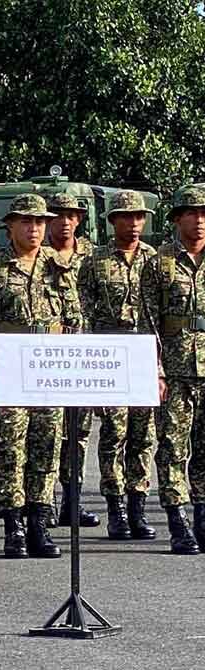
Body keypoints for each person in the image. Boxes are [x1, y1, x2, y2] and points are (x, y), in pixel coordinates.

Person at [0, 193, 82, 560]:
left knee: (46, 446)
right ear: (10, 226)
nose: (34, 229)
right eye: (26, 222)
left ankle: (39, 522)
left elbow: (74, 318)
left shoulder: (57, 265)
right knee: (11, 449)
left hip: (50, 368)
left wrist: (74, 369)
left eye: (39, 222)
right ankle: (14, 526)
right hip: (10, 366)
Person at [76, 190, 158, 542]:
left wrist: (160, 366)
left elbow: (161, 314)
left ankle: (138, 506)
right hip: (109, 353)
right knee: (113, 435)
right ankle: (116, 510)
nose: (134, 222)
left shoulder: (154, 259)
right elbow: (82, 314)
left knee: (144, 436)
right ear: (112, 221)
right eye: (126, 216)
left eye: (139, 216)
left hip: (144, 352)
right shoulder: (94, 262)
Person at [139, 184, 205, 555]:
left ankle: (202, 513)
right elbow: (149, 322)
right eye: (191, 213)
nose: (199, 220)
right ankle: (177, 519)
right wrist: (156, 369)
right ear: (178, 218)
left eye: (204, 213)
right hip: (175, 369)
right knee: (172, 446)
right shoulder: (159, 263)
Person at [45, 192, 100, 528]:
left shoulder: (93, 256)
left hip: (84, 353)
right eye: (58, 215)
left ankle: (72, 500)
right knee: (48, 433)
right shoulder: (38, 255)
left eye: (71, 215)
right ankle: (44, 500)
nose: (64, 221)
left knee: (77, 433)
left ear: (79, 219)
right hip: (48, 354)